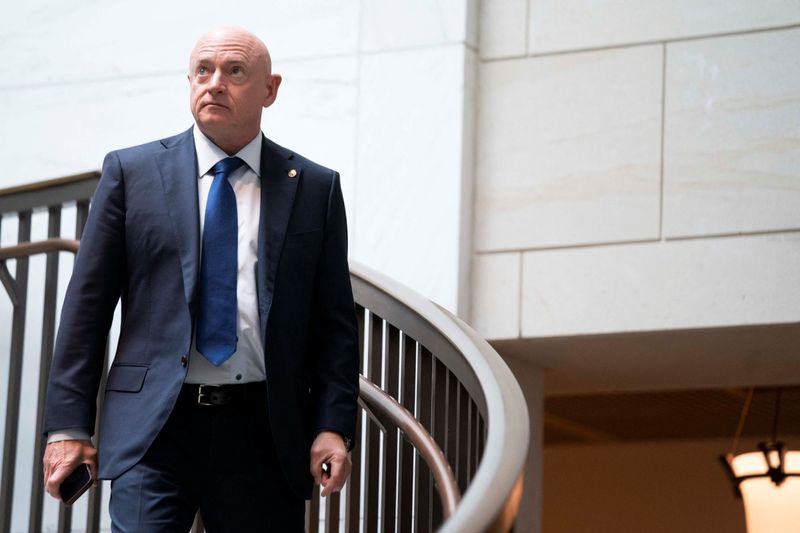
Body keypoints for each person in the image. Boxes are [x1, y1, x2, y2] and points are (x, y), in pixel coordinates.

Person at [41, 26, 359, 532]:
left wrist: (331, 425)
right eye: (203, 71)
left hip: (266, 431)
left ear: (270, 90)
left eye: (234, 72)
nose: (214, 84)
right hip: (155, 429)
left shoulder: (315, 189)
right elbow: (86, 309)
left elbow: (335, 324)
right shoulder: (132, 172)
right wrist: (68, 425)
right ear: (188, 81)